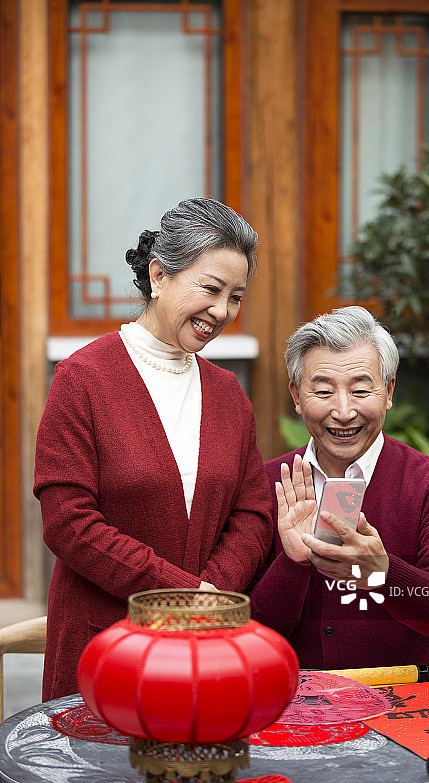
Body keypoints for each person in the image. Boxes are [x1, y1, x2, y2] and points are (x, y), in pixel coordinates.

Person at [34, 198, 272, 701]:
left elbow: (253, 513)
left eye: (236, 297)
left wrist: (209, 598)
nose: (222, 311)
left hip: (206, 647)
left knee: (201, 774)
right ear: (160, 275)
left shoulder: (229, 393)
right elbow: (67, 520)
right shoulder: (84, 378)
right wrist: (181, 595)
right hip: (104, 647)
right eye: (210, 288)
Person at [250, 306, 429, 680]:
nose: (343, 411)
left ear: (388, 391)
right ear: (296, 394)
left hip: (405, 703)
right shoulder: (266, 484)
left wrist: (382, 572)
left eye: (360, 390)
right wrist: (293, 562)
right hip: (293, 705)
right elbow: (250, 632)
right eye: (323, 391)